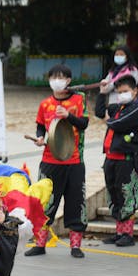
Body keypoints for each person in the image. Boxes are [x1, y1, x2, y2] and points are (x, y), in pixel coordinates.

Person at [25, 63, 89, 258]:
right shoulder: (45, 104)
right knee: (45, 203)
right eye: (54, 77)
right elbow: (40, 127)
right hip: (49, 161)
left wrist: (68, 115)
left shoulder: (79, 100)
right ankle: (40, 244)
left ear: (69, 81)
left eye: (61, 77)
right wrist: (39, 138)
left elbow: (84, 123)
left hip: (74, 161)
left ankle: (76, 246)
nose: (57, 81)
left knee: (76, 203)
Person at [95, 75, 138, 246]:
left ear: (135, 91)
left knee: (126, 195)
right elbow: (100, 112)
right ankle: (119, 232)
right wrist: (102, 94)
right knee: (114, 195)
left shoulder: (137, 106)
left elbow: (118, 123)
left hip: (126, 159)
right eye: (119, 92)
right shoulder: (119, 107)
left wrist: (110, 120)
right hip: (110, 158)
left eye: (125, 91)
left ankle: (128, 235)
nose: (122, 94)